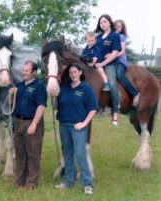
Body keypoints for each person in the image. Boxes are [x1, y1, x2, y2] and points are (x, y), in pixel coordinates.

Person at [54, 63, 98, 195]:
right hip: (64, 125)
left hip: (78, 127)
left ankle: (87, 184)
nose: (73, 75)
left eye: (75, 72)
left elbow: (93, 109)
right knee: (68, 154)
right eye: (70, 73)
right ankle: (68, 181)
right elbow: (58, 103)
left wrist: (84, 123)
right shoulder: (64, 88)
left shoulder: (86, 88)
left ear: (80, 73)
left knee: (80, 154)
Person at [9, 60, 47, 191]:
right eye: (23, 70)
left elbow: (41, 107)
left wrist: (34, 124)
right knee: (20, 153)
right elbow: (11, 104)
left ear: (34, 72)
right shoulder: (19, 85)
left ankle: (31, 181)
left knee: (33, 153)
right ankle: (19, 180)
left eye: (26, 71)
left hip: (32, 123)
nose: (23, 72)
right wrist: (11, 94)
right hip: (18, 122)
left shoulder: (39, 87)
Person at [94, 14, 121, 126]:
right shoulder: (98, 38)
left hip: (110, 65)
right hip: (97, 64)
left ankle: (114, 112)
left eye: (105, 21)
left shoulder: (114, 36)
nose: (103, 24)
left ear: (109, 22)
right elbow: (93, 50)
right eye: (101, 22)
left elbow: (114, 54)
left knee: (112, 85)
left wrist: (103, 63)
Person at [114, 19, 139, 106]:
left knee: (119, 74)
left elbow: (122, 51)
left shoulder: (121, 37)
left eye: (119, 27)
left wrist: (112, 56)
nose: (117, 28)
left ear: (122, 29)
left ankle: (135, 93)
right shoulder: (111, 36)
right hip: (113, 61)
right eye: (116, 26)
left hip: (121, 60)